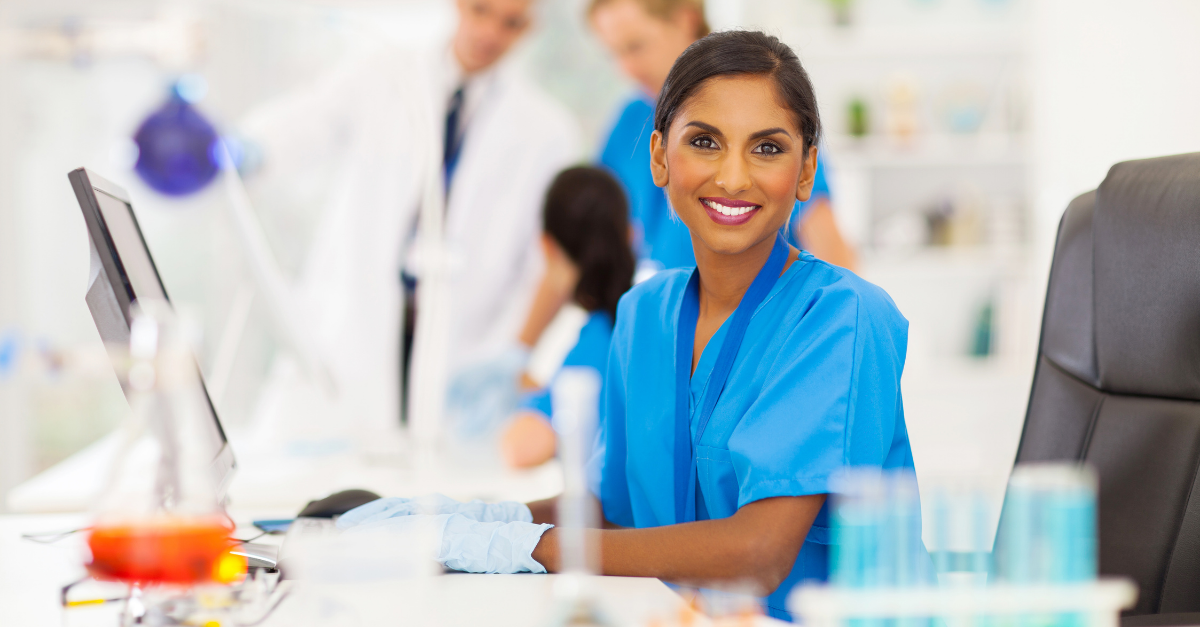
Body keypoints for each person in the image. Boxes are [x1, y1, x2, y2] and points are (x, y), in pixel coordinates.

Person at [337, 31, 918, 622]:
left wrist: (524, 549)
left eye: (767, 148)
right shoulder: (646, 316)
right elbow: (612, 512)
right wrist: (469, 521)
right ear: (661, 158)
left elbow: (758, 552)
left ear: (806, 171)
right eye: (705, 142)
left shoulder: (840, 319)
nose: (734, 177)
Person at [238, 0, 580, 431]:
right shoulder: (381, 74)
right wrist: (248, 149)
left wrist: (516, 352)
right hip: (357, 330)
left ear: (531, 28)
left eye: (511, 24)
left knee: (436, 485)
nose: (491, 33)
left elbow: (545, 262)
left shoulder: (546, 131)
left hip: (465, 345)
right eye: (480, 12)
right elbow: (306, 123)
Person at [589, 0, 857, 274]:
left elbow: (825, 238)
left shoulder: (761, 106)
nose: (626, 68)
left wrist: (842, 307)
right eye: (614, 54)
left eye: (636, 47)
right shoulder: (630, 120)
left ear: (685, 20)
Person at [499, 167, 636, 469]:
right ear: (632, 234)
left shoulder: (595, 340)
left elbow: (523, 448)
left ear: (547, 248)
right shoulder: (648, 319)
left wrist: (530, 401)